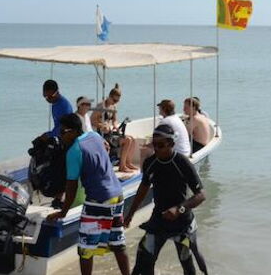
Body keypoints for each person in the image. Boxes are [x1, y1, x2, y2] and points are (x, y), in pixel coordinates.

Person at [46, 114, 131, 275]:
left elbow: (71, 187)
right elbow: (106, 148)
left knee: (85, 249)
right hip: (117, 195)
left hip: (98, 200)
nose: (60, 136)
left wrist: (63, 212)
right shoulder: (94, 136)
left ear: (73, 131)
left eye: (63, 132)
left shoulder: (74, 151)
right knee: (117, 243)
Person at [123, 125, 208, 275]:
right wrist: (130, 215)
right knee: (144, 259)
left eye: (161, 145)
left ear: (171, 144)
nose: (156, 149)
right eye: (154, 144)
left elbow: (201, 195)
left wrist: (179, 209)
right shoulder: (150, 163)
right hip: (159, 220)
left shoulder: (182, 162)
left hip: (182, 222)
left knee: (187, 261)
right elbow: (143, 189)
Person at [93, 84, 139, 172]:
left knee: (132, 139)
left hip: (110, 133)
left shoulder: (113, 107)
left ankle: (128, 163)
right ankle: (122, 166)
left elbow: (115, 120)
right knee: (127, 140)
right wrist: (102, 126)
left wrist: (115, 126)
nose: (115, 102)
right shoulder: (101, 106)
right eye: (114, 100)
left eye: (117, 101)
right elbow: (92, 120)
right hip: (102, 134)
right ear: (109, 96)